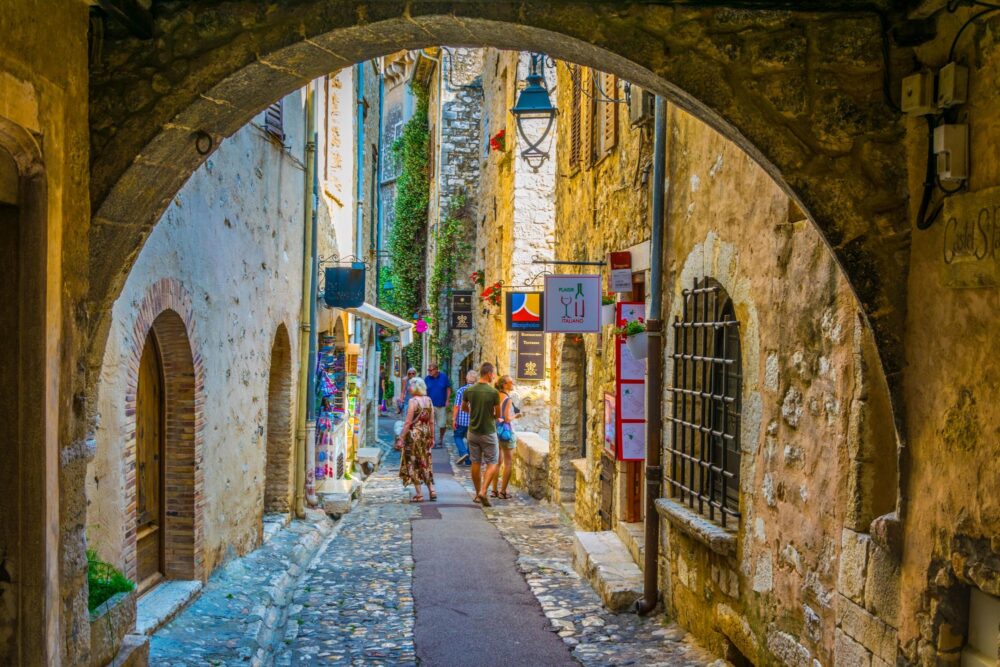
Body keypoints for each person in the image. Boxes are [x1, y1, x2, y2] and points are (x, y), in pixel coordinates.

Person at [461, 362, 501, 507]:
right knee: (493, 462)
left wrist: (474, 412)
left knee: (475, 462)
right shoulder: (493, 392)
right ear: (489, 373)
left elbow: (464, 408)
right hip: (488, 432)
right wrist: (490, 414)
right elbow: (498, 414)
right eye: (494, 373)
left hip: (472, 432)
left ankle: (477, 494)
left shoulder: (470, 390)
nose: (494, 376)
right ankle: (483, 491)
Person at [397, 377, 437, 502]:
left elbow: (408, 422)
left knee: (413, 462)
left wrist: (401, 438)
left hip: (414, 435)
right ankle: (432, 490)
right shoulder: (429, 400)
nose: (408, 388)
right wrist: (432, 437)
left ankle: (419, 493)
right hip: (425, 434)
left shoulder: (413, 401)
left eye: (410, 386)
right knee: (426, 461)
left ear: (416, 387)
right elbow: (431, 421)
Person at [491, 374, 518, 500]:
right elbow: (507, 418)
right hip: (506, 432)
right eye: (510, 382)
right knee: (508, 463)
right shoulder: (508, 399)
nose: (512, 384)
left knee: (497, 462)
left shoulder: (495, 396)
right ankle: (503, 492)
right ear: (504, 384)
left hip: (495, 430)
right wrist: (516, 416)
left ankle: (494, 490)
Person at [452, 370, 478, 466]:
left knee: (457, 436)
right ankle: (468, 461)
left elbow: (456, 406)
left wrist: (454, 419)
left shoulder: (461, 390)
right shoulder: (478, 391)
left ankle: (464, 453)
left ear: (467, 378)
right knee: (470, 440)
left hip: (461, 420)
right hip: (474, 421)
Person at [424, 363, 452, 449]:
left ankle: (441, 439)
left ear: (436, 370)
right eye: (428, 370)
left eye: (431, 370)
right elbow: (424, 390)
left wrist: (447, 400)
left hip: (441, 405)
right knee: (430, 424)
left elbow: (448, 389)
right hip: (430, 405)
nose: (429, 371)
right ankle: (432, 440)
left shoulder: (444, 377)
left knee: (442, 424)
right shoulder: (427, 379)